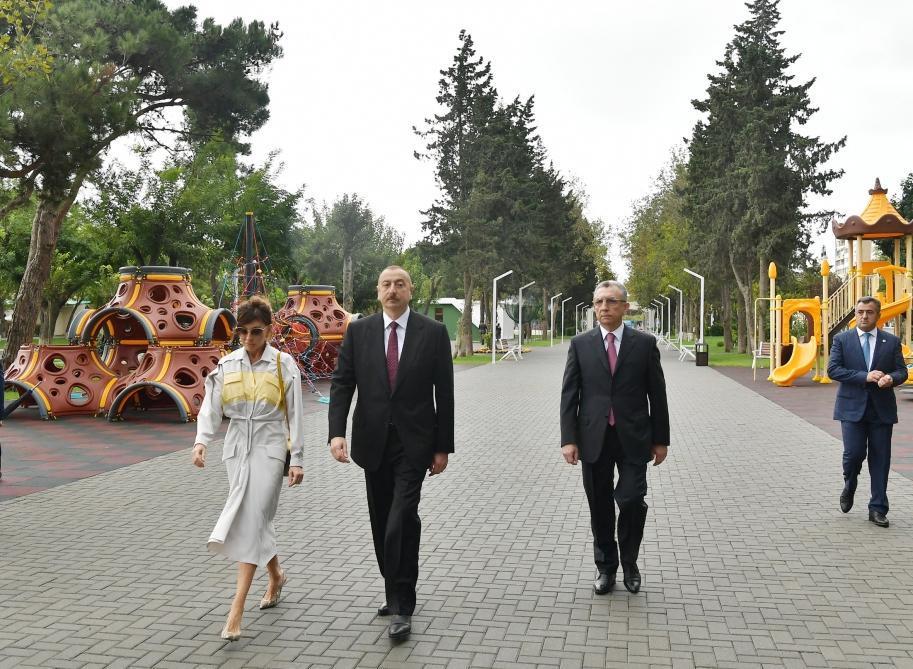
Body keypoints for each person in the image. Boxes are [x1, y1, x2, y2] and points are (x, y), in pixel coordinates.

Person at [329, 266, 454, 640]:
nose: (393, 290)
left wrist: (442, 446)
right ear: (378, 291)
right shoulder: (360, 331)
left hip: (415, 445)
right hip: (373, 442)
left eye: (400, 284)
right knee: (383, 522)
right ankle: (393, 586)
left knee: (400, 519)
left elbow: (444, 393)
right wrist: (336, 434)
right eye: (387, 284)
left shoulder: (432, 333)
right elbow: (342, 384)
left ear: (410, 291)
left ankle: (402, 605)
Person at [192, 295, 305, 640]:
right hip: (236, 448)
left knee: (254, 518)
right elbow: (210, 409)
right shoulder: (226, 366)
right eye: (242, 332)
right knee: (254, 519)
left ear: (269, 330)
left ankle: (235, 610)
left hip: (271, 448)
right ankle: (276, 575)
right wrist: (200, 442)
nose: (248, 339)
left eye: (256, 332)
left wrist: (297, 458)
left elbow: (296, 415)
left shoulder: (284, 365)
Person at [560, 280, 669, 595]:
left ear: (625, 306)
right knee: (600, 506)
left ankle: (630, 563)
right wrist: (569, 439)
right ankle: (606, 567)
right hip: (593, 438)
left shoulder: (644, 344)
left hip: (634, 437)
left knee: (631, 500)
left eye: (610, 301)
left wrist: (661, 440)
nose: (603, 307)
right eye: (598, 302)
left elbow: (657, 395)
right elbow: (570, 394)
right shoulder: (580, 344)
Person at [827, 296, 907, 528]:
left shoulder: (891, 342)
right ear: (855, 314)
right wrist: (865, 376)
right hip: (851, 408)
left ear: (877, 315)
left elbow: (901, 371)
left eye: (869, 312)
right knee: (853, 455)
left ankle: (878, 508)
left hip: (881, 410)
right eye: (860, 312)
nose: (864, 316)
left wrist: (892, 378)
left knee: (880, 459)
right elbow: (834, 370)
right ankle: (850, 484)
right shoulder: (842, 340)